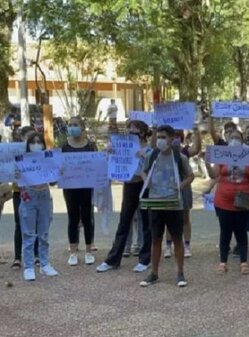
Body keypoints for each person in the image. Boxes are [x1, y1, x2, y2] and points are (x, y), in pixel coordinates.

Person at [139, 125, 195, 288]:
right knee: (156, 238)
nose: (160, 140)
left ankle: (180, 273)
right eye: (158, 136)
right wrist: (145, 180)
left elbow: (190, 176)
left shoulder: (179, 157)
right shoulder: (152, 155)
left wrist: (180, 186)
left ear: (171, 139)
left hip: (174, 204)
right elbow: (143, 171)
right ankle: (154, 273)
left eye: (163, 137)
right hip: (155, 203)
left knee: (177, 238)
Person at [96, 120, 154, 273]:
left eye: (134, 129)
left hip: (144, 186)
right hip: (129, 186)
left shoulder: (149, 151)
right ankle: (113, 259)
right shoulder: (123, 147)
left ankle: (145, 259)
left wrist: (143, 158)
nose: (130, 132)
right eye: (128, 129)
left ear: (142, 133)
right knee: (124, 222)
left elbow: (153, 173)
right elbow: (112, 162)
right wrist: (110, 153)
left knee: (146, 223)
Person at [205, 129, 249, 274]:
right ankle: (223, 262)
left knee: (241, 232)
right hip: (224, 201)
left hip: (243, 201)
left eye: (237, 137)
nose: (234, 139)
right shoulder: (222, 155)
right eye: (232, 137)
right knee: (225, 232)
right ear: (228, 140)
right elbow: (214, 174)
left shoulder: (248, 155)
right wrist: (206, 161)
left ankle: (243, 261)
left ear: (242, 141)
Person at [16, 132, 59, 281]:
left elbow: (53, 181)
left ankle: (44, 264)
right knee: (28, 234)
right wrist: (16, 174)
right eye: (33, 142)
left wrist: (58, 171)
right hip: (28, 197)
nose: (36, 144)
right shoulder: (22, 160)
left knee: (44, 233)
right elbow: (16, 179)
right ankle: (28, 266)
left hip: (44, 197)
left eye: (38, 141)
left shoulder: (48, 159)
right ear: (28, 145)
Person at [62, 116, 97, 266]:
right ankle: (73, 251)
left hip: (86, 186)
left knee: (87, 217)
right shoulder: (64, 146)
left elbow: (98, 163)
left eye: (75, 124)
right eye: (70, 125)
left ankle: (89, 250)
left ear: (82, 127)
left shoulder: (90, 146)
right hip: (70, 187)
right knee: (73, 218)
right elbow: (59, 166)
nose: (72, 127)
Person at [164, 129, 201, 258]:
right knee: (169, 217)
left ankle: (186, 245)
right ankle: (168, 245)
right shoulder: (163, 152)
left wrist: (197, 132)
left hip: (183, 188)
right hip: (168, 188)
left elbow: (196, 149)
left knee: (185, 217)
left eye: (177, 137)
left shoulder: (184, 153)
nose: (175, 139)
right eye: (172, 137)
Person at [10, 126, 38, 270]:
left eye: (34, 138)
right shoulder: (14, 153)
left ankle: (37, 255)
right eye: (28, 138)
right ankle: (17, 257)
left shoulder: (39, 153)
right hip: (19, 192)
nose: (32, 141)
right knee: (19, 223)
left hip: (36, 192)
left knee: (36, 223)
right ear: (22, 138)